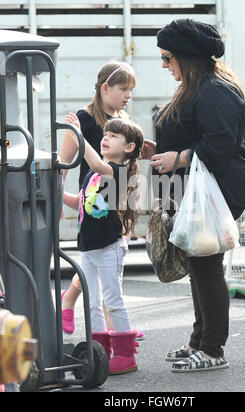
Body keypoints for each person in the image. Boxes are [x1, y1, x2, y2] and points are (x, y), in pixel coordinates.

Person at [142, 19, 245, 372]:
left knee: (206, 268)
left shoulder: (216, 89)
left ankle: (212, 349)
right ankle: (199, 341)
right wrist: (158, 151)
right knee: (199, 266)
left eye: (166, 57)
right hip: (195, 191)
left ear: (185, 56)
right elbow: (191, 132)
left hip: (216, 192)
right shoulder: (198, 85)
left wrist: (176, 157)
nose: (164, 65)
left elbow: (218, 146)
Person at [59, 62, 144, 340]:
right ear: (105, 88)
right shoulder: (83, 119)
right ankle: (109, 331)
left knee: (107, 274)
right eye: (123, 89)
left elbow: (130, 171)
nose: (128, 94)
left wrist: (131, 210)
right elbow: (63, 164)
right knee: (98, 270)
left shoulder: (124, 119)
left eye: (131, 90)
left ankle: (117, 331)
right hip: (92, 197)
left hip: (114, 203)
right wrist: (55, 200)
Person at [63, 116, 144, 374]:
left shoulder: (116, 171)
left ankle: (125, 355)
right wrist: (57, 194)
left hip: (109, 246)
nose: (105, 138)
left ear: (129, 147)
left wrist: (77, 134)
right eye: (105, 134)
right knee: (92, 301)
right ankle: (100, 350)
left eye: (113, 136)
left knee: (113, 299)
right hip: (89, 246)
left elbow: (96, 162)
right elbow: (80, 201)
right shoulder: (95, 174)